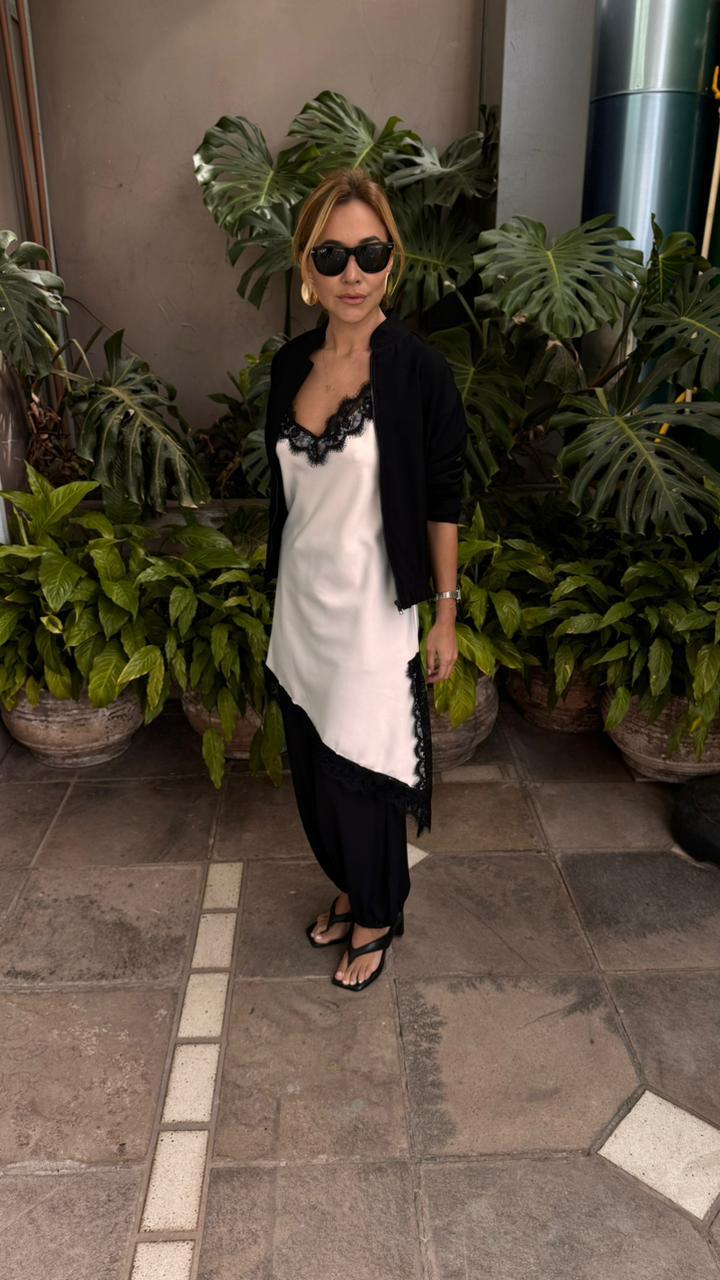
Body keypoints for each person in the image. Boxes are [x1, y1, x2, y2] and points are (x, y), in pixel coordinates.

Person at [263, 166, 467, 992]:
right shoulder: (290, 365)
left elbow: (444, 498)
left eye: (371, 253)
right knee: (315, 767)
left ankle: (378, 911)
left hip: (373, 612)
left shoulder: (419, 373)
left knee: (363, 767)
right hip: (300, 607)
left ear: (393, 260)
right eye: (332, 256)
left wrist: (444, 613)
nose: (353, 273)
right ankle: (351, 884)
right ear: (306, 268)